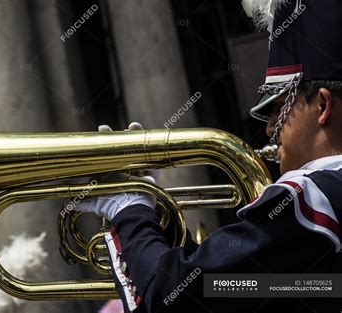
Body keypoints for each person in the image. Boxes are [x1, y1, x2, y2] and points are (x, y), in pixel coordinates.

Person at [74, 1, 342, 312]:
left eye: (279, 109)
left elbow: (173, 298)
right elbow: (224, 291)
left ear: (322, 106)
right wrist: (158, 222)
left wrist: (128, 211)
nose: (270, 129)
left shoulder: (311, 200)